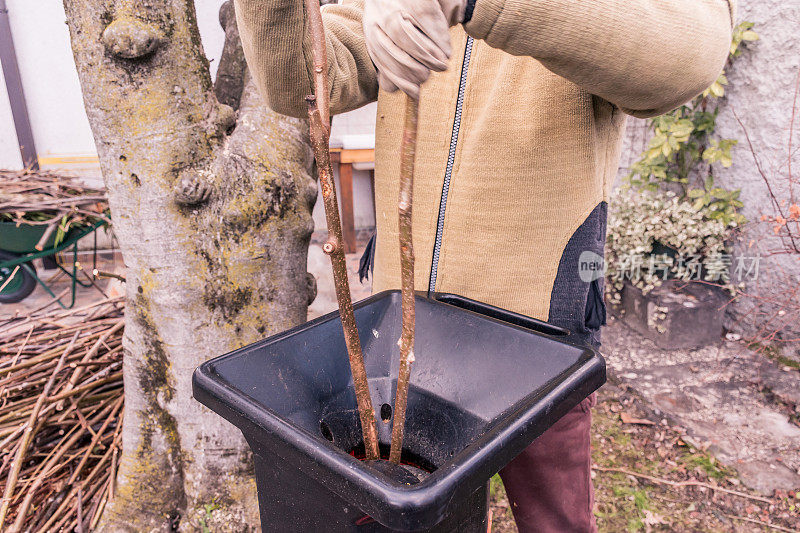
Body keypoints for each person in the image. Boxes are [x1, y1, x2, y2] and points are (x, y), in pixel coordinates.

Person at [234, 0, 734, 529]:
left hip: (538, 339)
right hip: (404, 342)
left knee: (553, 521)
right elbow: (305, 80)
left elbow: (688, 55)